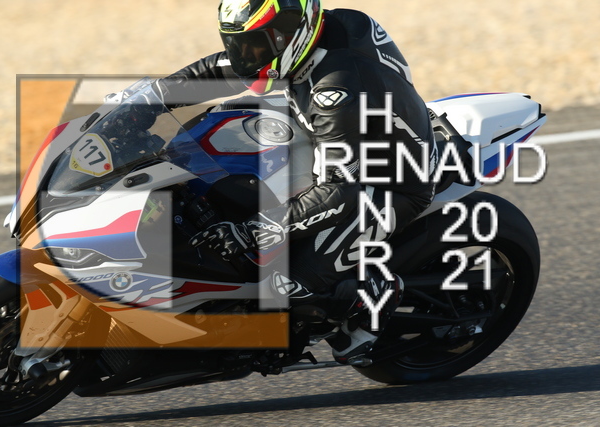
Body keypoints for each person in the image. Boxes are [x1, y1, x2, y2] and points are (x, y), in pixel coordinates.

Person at [153, 0, 439, 363]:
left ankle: (373, 295)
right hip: (334, 132)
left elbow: (339, 192)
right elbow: (222, 68)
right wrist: (150, 98)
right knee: (213, 139)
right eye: (239, 44)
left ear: (293, 33)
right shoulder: (325, 31)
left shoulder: (336, 92)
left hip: (387, 182)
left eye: (256, 45)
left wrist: (253, 231)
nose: (246, 56)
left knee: (285, 286)